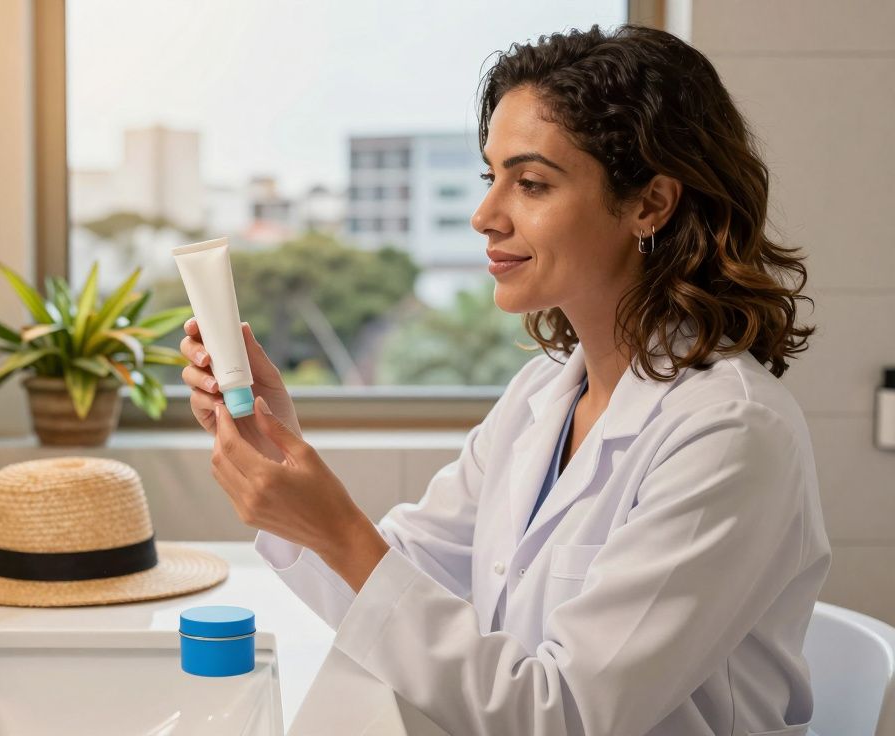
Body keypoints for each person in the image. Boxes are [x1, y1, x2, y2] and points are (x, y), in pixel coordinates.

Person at [179, 23, 828, 736]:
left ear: (650, 204)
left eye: (532, 183)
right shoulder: (542, 396)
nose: (484, 216)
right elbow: (405, 576)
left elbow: (564, 715)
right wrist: (275, 452)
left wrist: (334, 529)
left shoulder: (730, 434)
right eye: (492, 178)